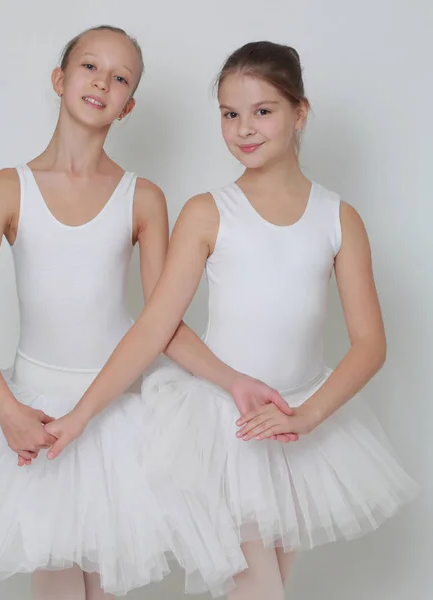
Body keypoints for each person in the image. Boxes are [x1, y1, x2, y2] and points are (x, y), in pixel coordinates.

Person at [0, 28, 292, 599]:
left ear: (129, 105)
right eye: (89, 67)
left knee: (105, 586)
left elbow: (163, 325)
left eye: (120, 77)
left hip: (114, 415)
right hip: (32, 411)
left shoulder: (143, 197)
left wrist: (234, 382)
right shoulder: (9, 188)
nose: (103, 82)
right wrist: (5, 410)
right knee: (55, 582)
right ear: (60, 79)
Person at [44, 41, 420, 600]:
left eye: (262, 111)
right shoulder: (208, 212)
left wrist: (307, 416)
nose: (244, 128)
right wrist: (78, 417)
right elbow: (155, 327)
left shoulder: (338, 218)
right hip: (223, 431)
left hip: (298, 429)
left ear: (300, 112)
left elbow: (370, 344)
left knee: (272, 586)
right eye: (229, 113)